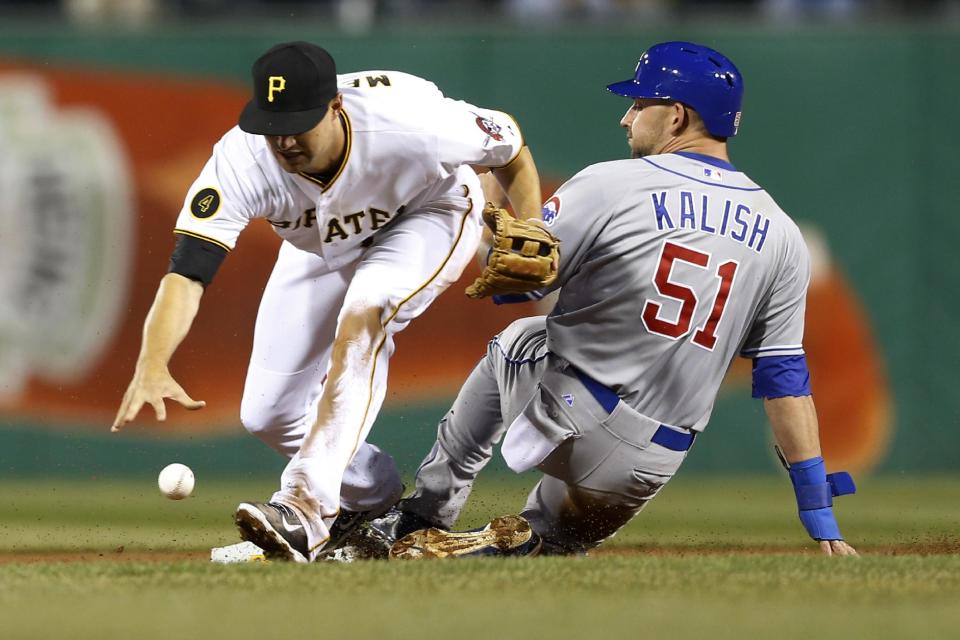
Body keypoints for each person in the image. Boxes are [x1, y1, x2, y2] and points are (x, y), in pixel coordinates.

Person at [364, 40, 858, 559]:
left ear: (677, 117)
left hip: (578, 423)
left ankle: (425, 514)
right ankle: (522, 543)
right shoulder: (781, 234)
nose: (627, 118)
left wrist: (485, 203)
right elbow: (785, 384)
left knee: (521, 338)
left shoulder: (613, 184)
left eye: (640, 104)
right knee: (548, 548)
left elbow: (518, 283)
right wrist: (820, 516)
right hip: (653, 465)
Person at [111, 41, 543, 563]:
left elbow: (509, 146)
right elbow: (187, 272)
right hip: (321, 244)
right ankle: (370, 499)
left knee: (367, 313)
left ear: (336, 105)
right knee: (268, 414)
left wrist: (528, 222)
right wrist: (153, 359)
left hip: (429, 213)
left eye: (299, 122)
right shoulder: (243, 158)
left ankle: (304, 508)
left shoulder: (410, 121)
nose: (285, 139)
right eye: (274, 124)